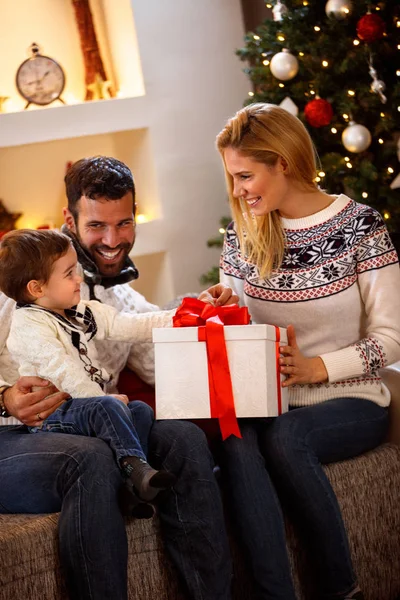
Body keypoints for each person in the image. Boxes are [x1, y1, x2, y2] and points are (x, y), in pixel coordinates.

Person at [0, 156, 237, 600]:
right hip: (13, 439)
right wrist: (3, 398)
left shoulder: (116, 298)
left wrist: (197, 310)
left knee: (183, 439)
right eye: (96, 226)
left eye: (123, 223)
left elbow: (155, 352)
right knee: (88, 457)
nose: (112, 241)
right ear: (70, 219)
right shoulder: (15, 293)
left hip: (99, 428)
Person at [216, 103, 400, 600]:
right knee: (235, 442)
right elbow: (233, 333)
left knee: (285, 437)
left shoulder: (359, 226)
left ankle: (342, 590)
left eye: (246, 175)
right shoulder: (242, 236)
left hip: (353, 400)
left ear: (284, 162)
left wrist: (318, 368)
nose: (238, 191)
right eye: (233, 178)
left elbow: (391, 338)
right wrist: (222, 310)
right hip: (269, 403)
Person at [1, 228, 177, 514]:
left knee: (142, 410)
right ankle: (134, 468)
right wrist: (101, 399)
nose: (79, 279)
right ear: (37, 288)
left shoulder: (81, 310)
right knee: (108, 408)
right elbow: (62, 371)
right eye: (69, 273)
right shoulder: (29, 325)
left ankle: (134, 486)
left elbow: (130, 325)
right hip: (56, 415)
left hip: (89, 407)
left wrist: (180, 318)